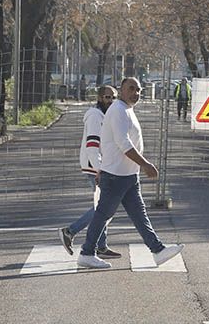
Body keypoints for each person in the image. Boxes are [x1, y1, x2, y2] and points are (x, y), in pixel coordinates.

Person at [76, 77, 184, 269]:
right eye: (131, 89)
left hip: (127, 175)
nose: (136, 93)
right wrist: (145, 164)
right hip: (116, 175)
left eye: (139, 90)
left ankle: (157, 250)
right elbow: (123, 143)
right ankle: (86, 253)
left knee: (138, 214)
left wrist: (137, 168)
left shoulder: (126, 109)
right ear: (121, 90)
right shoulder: (118, 110)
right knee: (102, 214)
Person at [58, 86, 120, 259]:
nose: (111, 101)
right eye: (108, 97)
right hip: (96, 167)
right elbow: (92, 145)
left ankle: (101, 245)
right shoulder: (95, 116)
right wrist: (99, 169)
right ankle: (70, 231)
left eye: (114, 97)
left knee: (103, 205)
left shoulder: (104, 115)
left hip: (101, 166)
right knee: (104, 207)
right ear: (100, 98)